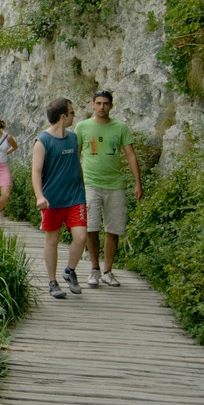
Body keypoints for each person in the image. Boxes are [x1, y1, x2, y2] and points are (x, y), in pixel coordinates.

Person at [76, 90, 143, 288]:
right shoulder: (82, 127)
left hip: (115, 185)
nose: (101, 107)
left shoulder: (120, 127)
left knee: (114, 229)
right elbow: (75, 156)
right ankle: (94, 269)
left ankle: (108, 271)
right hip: (90, 183)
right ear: (93, 105)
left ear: (111, 106)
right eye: (98, 103)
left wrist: (138, 182)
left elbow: (131, 155)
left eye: (105, 103)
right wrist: (76, 182)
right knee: (92, 227)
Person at [32, 98, 87, 299]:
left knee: (81, 236)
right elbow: (36, 172)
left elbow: (76, 165)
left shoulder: (73, 139)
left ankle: (70, 271)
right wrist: (40, 197)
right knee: (52, 240)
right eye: (72, 113)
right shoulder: (43, 141)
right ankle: (52, 282)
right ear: (63, 116)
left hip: (75, 196)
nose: (74, 116)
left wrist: (83, 187)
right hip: (52, 199)